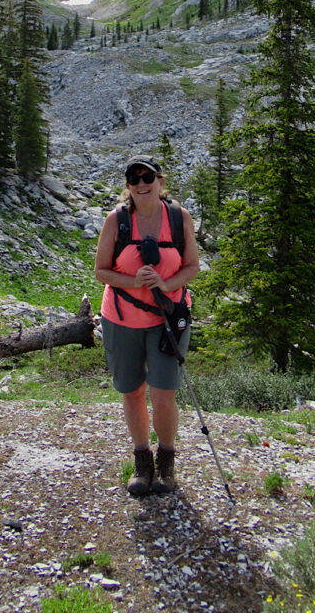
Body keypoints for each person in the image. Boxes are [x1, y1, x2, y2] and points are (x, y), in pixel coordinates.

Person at [95, 155, 200, 496]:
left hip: (168, 318)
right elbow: (101, 271)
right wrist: (133, 280)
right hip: (121, 318)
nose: (142, 183)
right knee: (131, 391)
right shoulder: (117, 221)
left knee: (163, 392)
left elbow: (192, 267)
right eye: (134, 177)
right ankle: (143, 463)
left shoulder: (178, 218)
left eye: (148, 176)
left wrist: (168, 286)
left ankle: (166, 463)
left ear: (159, 181)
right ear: (127, 185)